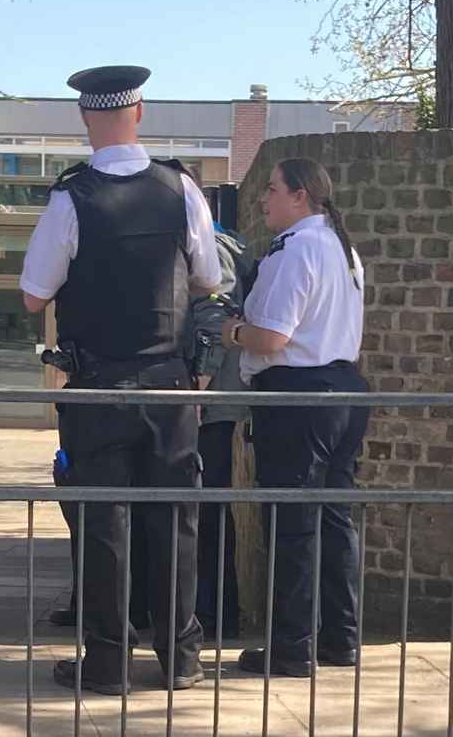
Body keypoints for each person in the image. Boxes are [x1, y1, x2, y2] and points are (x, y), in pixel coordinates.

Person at [20, 65, 221, 694]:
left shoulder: (69, 196)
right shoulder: (181, 188)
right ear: (141, 113)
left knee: (103, 523)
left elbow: (31, 295)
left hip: (96, 388)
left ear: (86, 119)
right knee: (176, 521)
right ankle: (180, 657)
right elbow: (209, 276)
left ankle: (108, 661)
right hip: (169, 385)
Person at [222, 157, 368, 675]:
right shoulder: (343, 248)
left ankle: (291, 648)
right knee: (333, 520)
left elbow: (273, 337)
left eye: (272, 189)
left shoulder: (297, 250)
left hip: (299, 397)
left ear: (300, 195)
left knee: (292, 524)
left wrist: (233, 333)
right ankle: (339, 638)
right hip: (344, 390)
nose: (263, 199)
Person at [192, 227, 254, 639]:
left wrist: (199, 384)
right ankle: (214, 611)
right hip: (213, 400)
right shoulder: (214, 243)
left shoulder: (211, 247)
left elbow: (217, 315)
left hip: (210, 403)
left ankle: (217, 613)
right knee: (207, 505)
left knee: (207, 506)